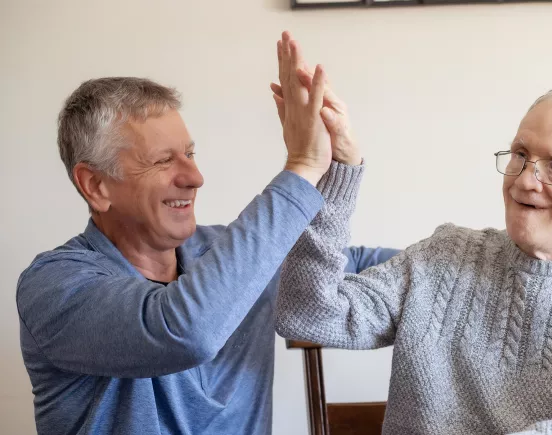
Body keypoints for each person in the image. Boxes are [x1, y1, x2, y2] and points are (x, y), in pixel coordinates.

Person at [16, 32, 397, 435]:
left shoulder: (227, 252)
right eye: (164, 160)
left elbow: (346, 265)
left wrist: (343, 165)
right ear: (96, 186)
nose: (195, 177)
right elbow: (185, 331)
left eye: (190, 154)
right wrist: (302, 166)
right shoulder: (54, 286)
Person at [274, 82, 552, 434]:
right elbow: (306, 314)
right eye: (521, 154)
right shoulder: (445, 255)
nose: (527, 179)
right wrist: (333, 172)